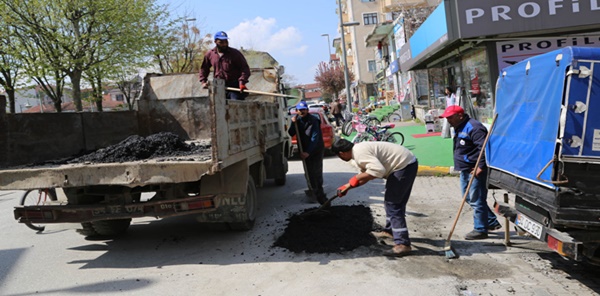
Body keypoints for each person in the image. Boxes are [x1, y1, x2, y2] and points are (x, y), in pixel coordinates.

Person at [332, 139, 418, 257]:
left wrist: (356, 177)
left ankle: (403, 244)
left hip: (403, 166)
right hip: (404, 164)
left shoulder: (360, 154)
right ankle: (390, 231)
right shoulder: (357, 152)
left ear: (342, 153)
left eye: (338, 156)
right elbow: (368, 176)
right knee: (393, 202)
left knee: (393, 204)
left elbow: (378, 170)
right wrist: (348, 187)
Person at [439, 105, 501, 240]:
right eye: (447, 118)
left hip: (475, 169)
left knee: (476, 199)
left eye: (450, 117)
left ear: (460, 116)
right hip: (465, 169)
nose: (448, 120)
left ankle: (480, 229)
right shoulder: (459, 126)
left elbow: (484, 149)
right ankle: (490, 221)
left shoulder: (474, 128)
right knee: (468, 198)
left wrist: (480, 167)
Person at [288, 101, 327, 205]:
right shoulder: (297, 120)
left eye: (304, 109)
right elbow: (291, 133)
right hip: (304, 149)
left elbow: (315, 138)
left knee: (317, 170)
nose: (302, 111)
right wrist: (293, 123)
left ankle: (320, 192)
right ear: (297, 111)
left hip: (316, 149)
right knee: (309, 171)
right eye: (300, 110)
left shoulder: (314, 120)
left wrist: (308, 152)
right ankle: (312, 189)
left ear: (307, 110)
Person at [199, 31, 251, 100]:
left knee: (234, 105)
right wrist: (203, 81)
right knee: (217, 108)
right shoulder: (210, 54)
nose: (224, 44)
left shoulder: (235, 54)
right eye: (221, 42)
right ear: (215, 42)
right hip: (219, 87)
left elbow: (245, 69)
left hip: (234, 87)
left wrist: (242, 82)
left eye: (226, 42)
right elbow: (204, 68)